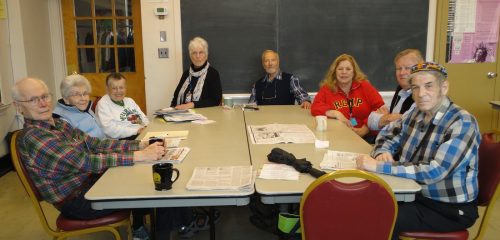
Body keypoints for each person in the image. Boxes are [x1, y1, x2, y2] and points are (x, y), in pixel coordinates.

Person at [11, 77, 168, 239]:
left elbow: (95, 144)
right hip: (78, 201)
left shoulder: (59, 125)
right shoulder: (34, 137)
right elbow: (84, 161)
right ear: (18, 106)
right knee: (152, 188)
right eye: (33, 100)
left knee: (144, 178)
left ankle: (147, 228)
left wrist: (140, 145)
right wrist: (138, 155)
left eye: (44, 96)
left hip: (90, 182)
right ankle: (159, 231)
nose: (43, 103)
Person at [356, 62, 480, 239]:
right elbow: (386, 135)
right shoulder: (415, 113)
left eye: (429, 86)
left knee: (379, 217)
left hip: (447, 207)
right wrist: (381, 152)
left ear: (444, 87)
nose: (421, 94)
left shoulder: (462, 122)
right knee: (360, 202)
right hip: (415, 193)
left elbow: (435, 171)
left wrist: (379, 167)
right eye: (415, 87)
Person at [311, 54, 385, 140]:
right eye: (340, 69)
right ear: (334, 72)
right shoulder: (327, 88)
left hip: (367, 137)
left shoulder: (365, 86)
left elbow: (380, 109)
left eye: (348, 69)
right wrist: (335, 113)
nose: (344, 72)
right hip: (339, 136)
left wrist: (365, 129)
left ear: (354, 72)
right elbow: (315, 107)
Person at [367, 49, 424, 130]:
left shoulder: (422, 95)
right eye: (399, 68)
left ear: (420, 69)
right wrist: (390, 118)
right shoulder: (400, 92)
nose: (402, 73)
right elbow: (370, 121)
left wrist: (385, 118)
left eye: (407, 68)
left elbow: (407, 125)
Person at [170, 37, 222, 109]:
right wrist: (171, 111)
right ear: (190, 56)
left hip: (204, 117)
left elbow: (215, 100)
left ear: (206, 55)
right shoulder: (186, 74)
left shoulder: (213, 74)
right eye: (194, 53)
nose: (198, 56)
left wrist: (193, 105)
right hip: (181, 115)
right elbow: (176, 97)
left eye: (201, 52)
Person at [96, 72, 149, 140]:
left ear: (125, 88)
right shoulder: (103, 104)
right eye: (114, 88)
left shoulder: (130, 101)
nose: (118, 91)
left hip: (140, 133)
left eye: (121, 87)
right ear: (107, 89)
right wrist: (136, 131)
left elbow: (144, 119)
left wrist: (146, 127)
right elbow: (110, 130)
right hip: (121, 140)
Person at [53, 74, 106, 139]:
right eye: (76, 94)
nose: (83, 98)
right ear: (66, 99)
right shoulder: (63, 121)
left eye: (85, 93)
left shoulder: (86, 109)